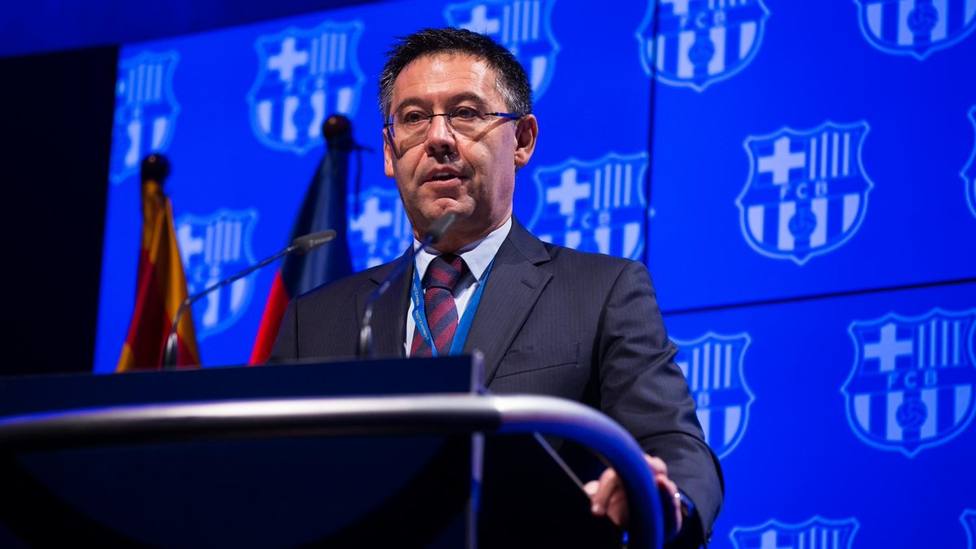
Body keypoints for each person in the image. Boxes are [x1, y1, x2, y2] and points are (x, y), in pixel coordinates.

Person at [271, 27, 722, 547]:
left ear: (522, 140)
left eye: (465, 113)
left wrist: (665, 499)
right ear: (390, 153)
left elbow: (675, 445)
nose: (439, 138)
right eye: (413, 118)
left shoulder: (601, 292)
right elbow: (265, 476)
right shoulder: (316, 319)